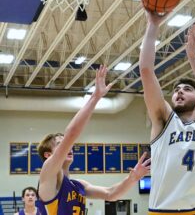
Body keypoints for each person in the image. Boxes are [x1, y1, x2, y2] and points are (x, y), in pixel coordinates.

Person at [36, 65, 151, 215]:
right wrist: (95, 97)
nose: (68, 147)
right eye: (60, 144)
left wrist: (132, 178)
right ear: (48, 155)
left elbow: (111, 194)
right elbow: (71, 134)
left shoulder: (78, 185)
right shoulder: (48, 173)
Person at [140, 13, 195, 214]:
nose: (179, 91)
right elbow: (146, 70)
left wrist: (193, 58)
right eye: (176, 89)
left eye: (186, 89)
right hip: (162, 211)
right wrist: (153, 25)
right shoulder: (163, 120)